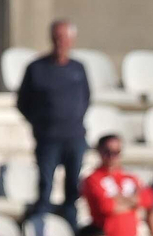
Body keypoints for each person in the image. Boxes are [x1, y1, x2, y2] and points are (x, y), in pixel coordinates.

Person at [16, 19, 90, 224]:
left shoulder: (78, 69)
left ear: (72, 40)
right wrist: (41, 123)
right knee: (45, 185)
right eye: (57, 37)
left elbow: (86, 98)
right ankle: (40, 225)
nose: (60, 42)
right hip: (48, 138)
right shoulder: (36, 68)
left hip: (74, 137)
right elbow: (22, 102)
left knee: (72, 187)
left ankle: (70, 225)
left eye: (64, 38)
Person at [79, 133, 152, 236]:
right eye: (108, 151)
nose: (112, 156)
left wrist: (119, 200)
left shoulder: (130, 177)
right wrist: (132, 201)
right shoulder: (93, 178)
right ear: (99, 151)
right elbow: (106, 206)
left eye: (116, 152)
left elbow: (148, 199)